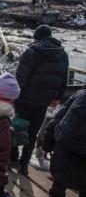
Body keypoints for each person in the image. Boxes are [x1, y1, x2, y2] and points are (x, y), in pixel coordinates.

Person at [12, 25, 69, 175]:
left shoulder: (32, 52)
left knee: (17, 128)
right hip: (43, 102)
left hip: (24, 99)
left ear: (37, 37)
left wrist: (13, 94)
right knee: (32, 133)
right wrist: (58, 97)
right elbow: (64, 79)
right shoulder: (62, 54)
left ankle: (12, 159)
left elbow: (21, 77)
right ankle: (24, 165)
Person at [43, 88, 86, 197]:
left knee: (59, 184)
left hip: (65, 151)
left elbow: (57, 119)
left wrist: (47, 143)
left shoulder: (80, 95)